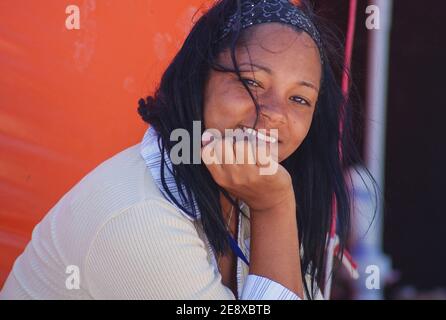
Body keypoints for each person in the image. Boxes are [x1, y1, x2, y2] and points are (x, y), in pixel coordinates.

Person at [1, 0, 372, 299]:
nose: (274, 113)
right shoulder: (142, 217)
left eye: (299, 98)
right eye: (251, 81)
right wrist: (274, 208)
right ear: (200, 80)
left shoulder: (247, 185)